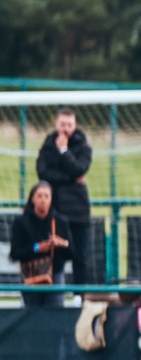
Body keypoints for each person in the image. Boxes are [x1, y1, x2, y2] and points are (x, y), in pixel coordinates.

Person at [35, 107, 93, 284]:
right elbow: (42, 172)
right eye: (62, 124)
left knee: (80, 256)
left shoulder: (83, 146)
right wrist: (71, 178)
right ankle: (55, 294)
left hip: (78, 211)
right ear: (56, 124)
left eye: (69, 124)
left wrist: (64, 151)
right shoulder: (47, 145)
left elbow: (79, 168)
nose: (65, 128)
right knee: (55, 254)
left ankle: (79, 296)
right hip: (56, 211)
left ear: (75, 125)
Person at [9, 182, 69, 308]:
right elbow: (15, 253)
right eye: (39, 196)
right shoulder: (22, 223)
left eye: (46, 196)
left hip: (54, 274)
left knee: (55, 313)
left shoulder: (60, 221)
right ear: (33, 199)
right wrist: (37, 248)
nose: (43, 200)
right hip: (32, 275)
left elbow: (71, 252)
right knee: (32, 314)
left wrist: (61, 243)